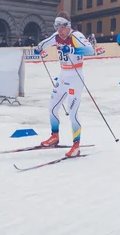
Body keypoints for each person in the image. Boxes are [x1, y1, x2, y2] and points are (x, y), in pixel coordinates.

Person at [34, 11, 95, 157]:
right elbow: (44, 43)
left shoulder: (76, 36)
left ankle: (76, 145)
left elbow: (90, 50)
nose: (59, 31)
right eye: (57, 27)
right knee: (52, 107)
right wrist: (39, 47)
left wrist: (72, 49)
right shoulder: (56, 37)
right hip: (62, 76)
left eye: (61, 27)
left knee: (72, 112)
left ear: (68, 26)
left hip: (75, 78)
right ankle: (54, 136)